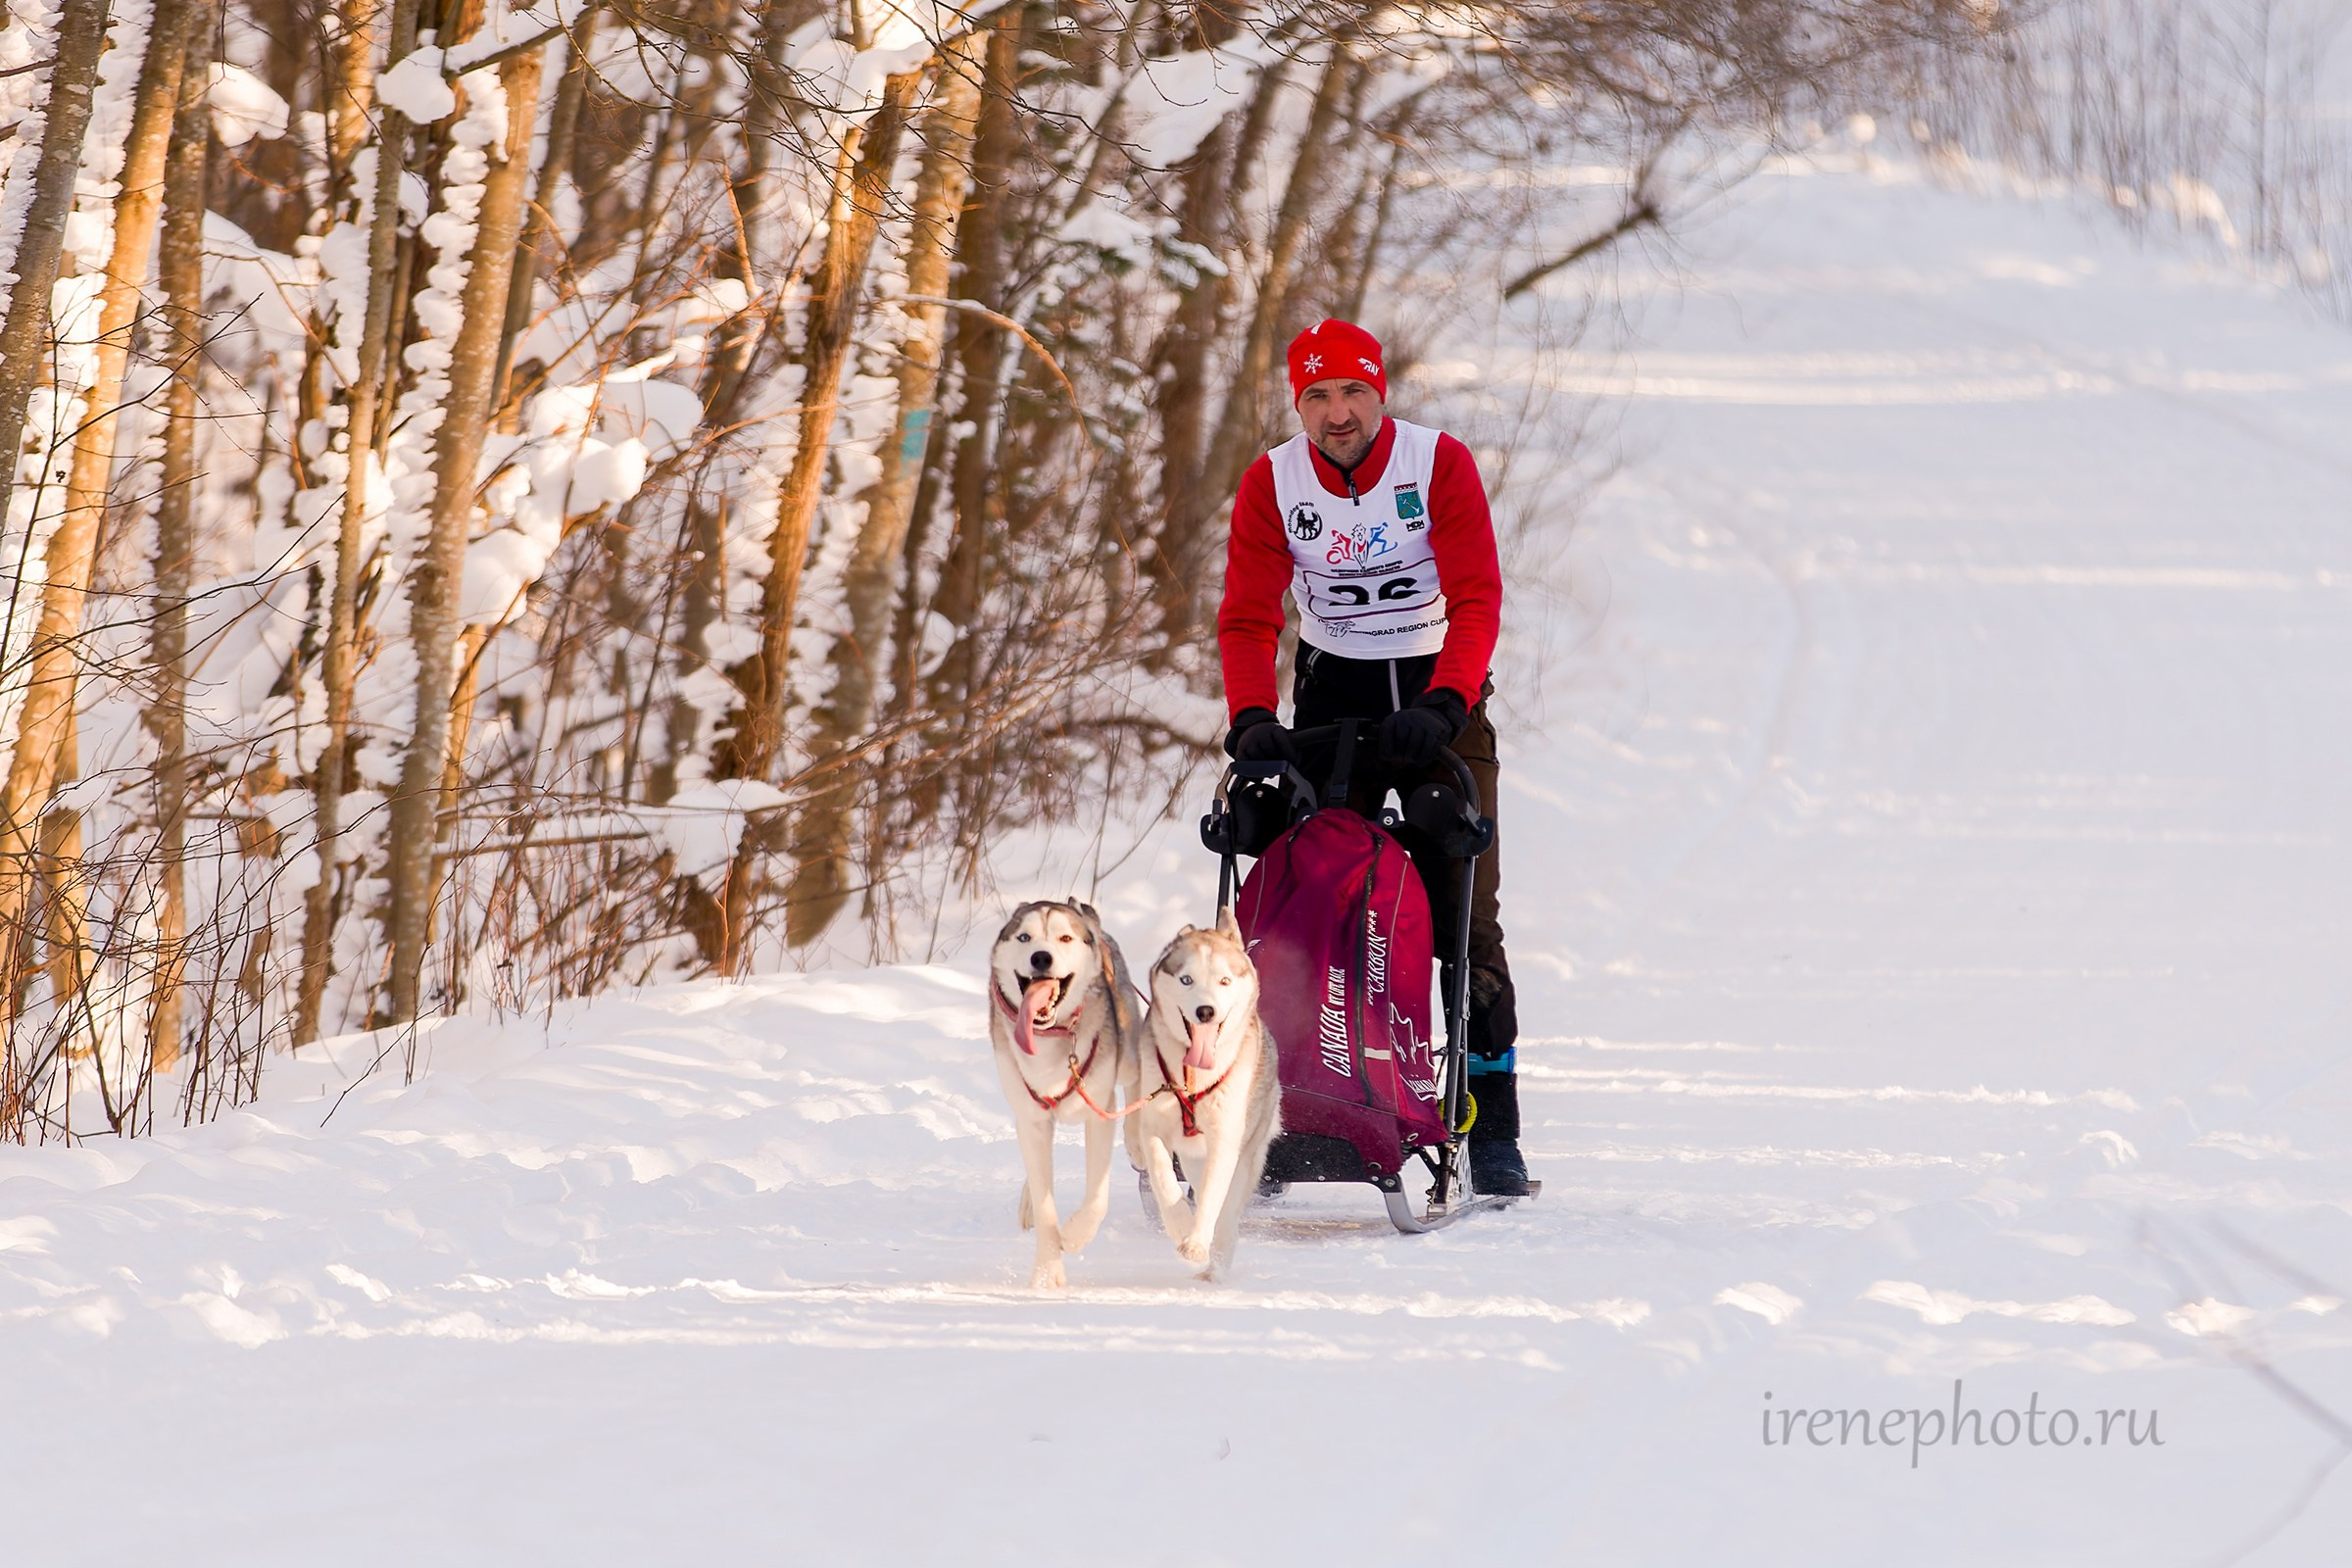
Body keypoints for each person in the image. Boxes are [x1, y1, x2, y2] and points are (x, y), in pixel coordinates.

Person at [1214, 318, 1532, 1197]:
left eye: (1352, 391)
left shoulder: (1437, 466)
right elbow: (1248, 614)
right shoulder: (1273, 483)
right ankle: (1308, 1111)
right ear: (1299, 406)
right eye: (1316, 396)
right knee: (1311, 905)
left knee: (1465, 911)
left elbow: (1476, 594)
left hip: (1438, 696)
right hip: (1332, 702)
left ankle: (1491, 1118)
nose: (1337, 412)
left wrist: (1447, 698)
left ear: (1378, 391)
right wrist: (1250, 718)